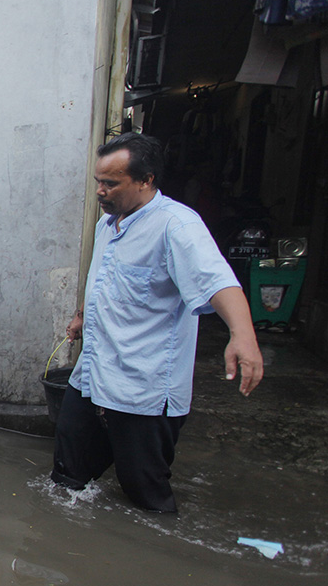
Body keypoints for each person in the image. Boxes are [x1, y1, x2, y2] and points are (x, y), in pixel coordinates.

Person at [51, 132, 263, 513]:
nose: (100, 191)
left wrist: (242, 335)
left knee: (145, 495)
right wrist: (84, 315)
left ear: (146, 180)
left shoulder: (177, 227)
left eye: (111, 183)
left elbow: (218, 281)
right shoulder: (108, 224)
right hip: (93, 375)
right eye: (98, 181)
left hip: (142, 390)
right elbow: (108, 278)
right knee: (66, 476)